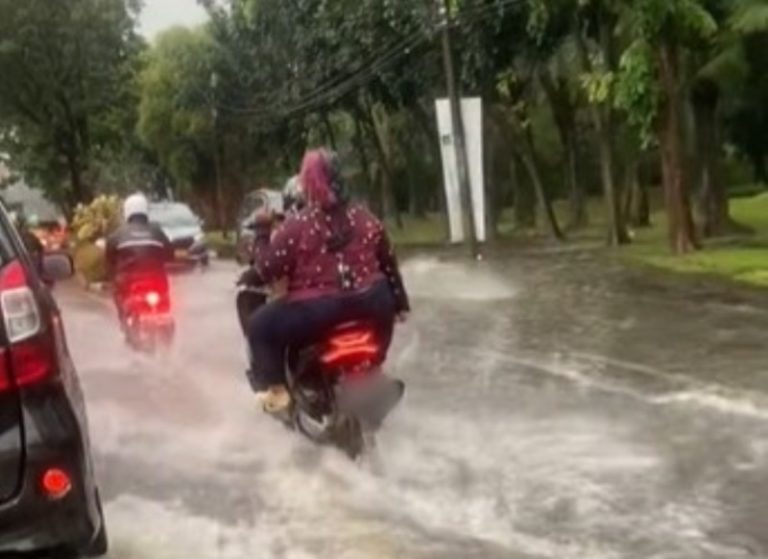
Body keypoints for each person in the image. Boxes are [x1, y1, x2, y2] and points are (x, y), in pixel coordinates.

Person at [239, 148, 410, 413]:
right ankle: (374, 371)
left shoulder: (297, 226)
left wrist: (262, 234)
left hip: (318, 312)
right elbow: (389, 265)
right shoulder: (366, 218)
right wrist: (399, 304)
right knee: (380, 319)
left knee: (259, 326)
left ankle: (277, 391)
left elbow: (266, 270)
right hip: (374, 303)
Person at [106, 193, 173, 323]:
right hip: (157, 281)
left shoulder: (117, 235)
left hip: (128, 283)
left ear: (127, 211)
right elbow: (170, 254)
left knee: (117, 294)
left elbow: (109, 261)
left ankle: (125, 320)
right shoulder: (157, 231)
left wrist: (111, 275)